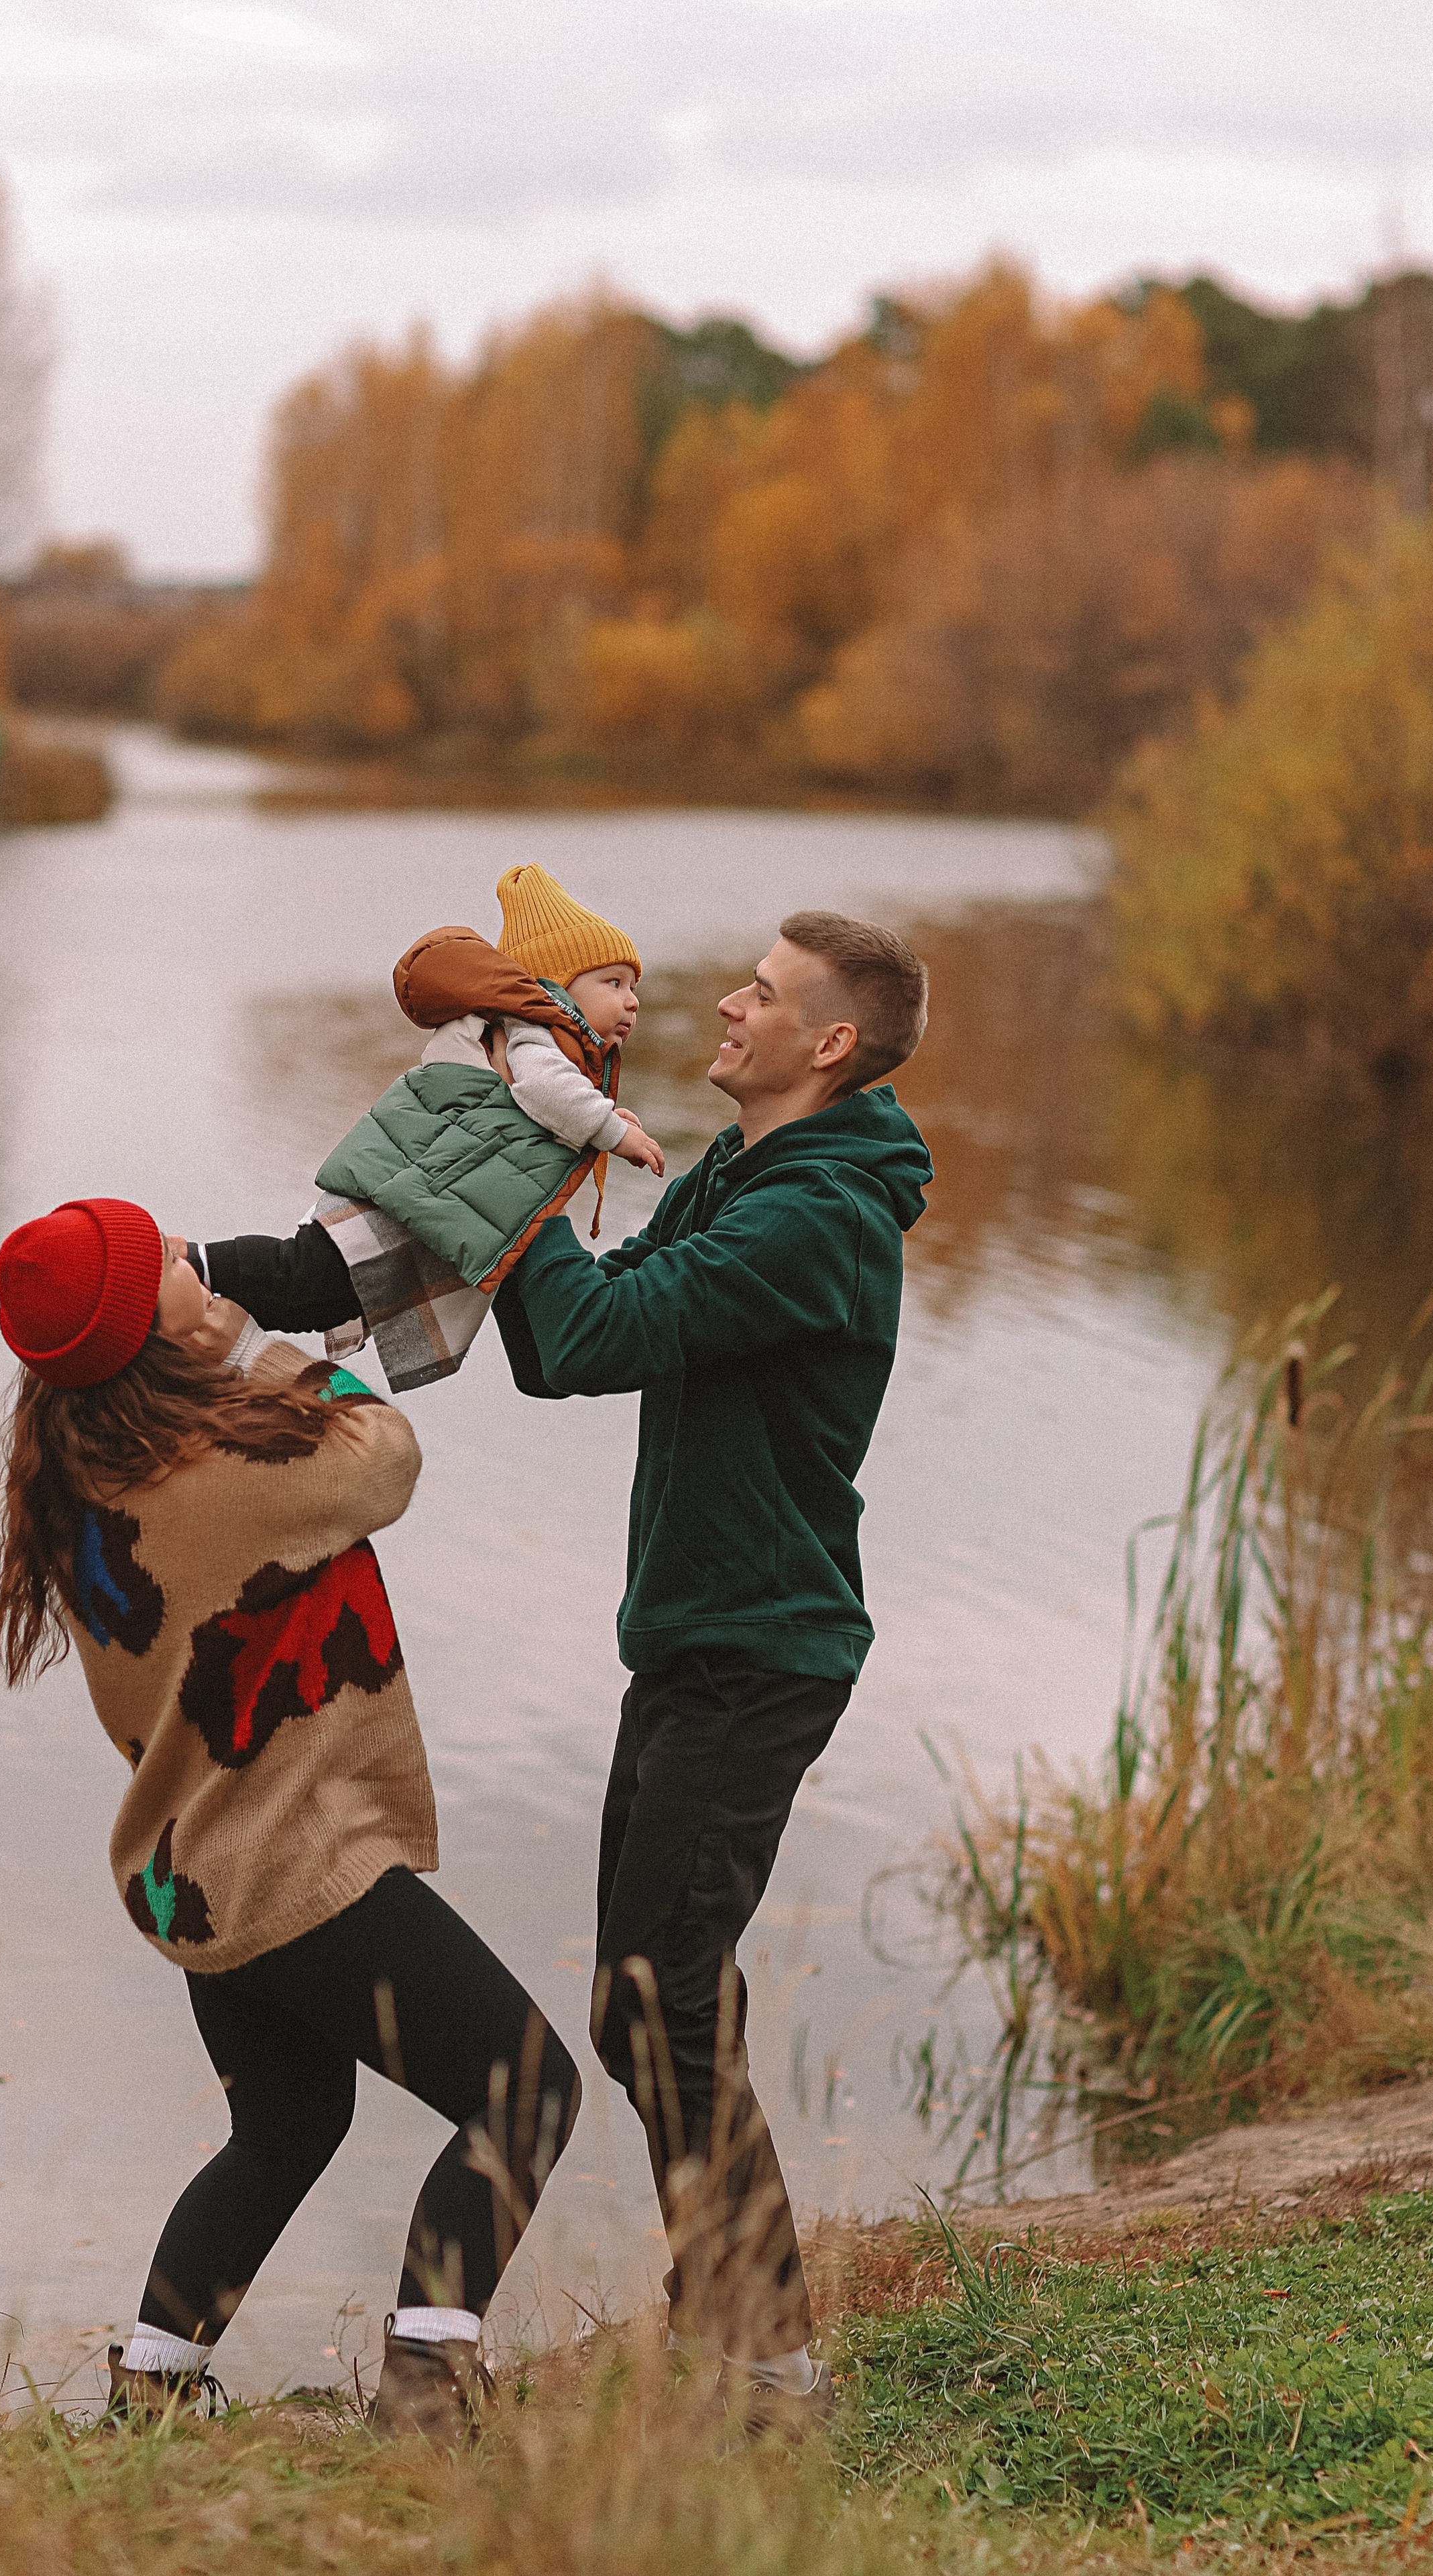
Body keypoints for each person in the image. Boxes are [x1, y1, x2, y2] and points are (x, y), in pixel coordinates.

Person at [0, 1194, 579, 2439]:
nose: (197, 1268)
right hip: (300, 1870)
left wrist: (200, 1329)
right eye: (173, 1272)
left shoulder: (85, 1469)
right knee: (525, 2089)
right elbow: (383, 1452)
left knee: (286, 2127)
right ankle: (426, 2379)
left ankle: (149, 2386)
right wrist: (252, 1338)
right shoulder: (224, 1471)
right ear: (153, 1340)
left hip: (194, 1871)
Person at [490, 909, 933, 2430]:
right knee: (643, 1998)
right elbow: (557, 1350)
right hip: (692, 1634)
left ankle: (763, 2359)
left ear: (827, 1043)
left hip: (759, 1648)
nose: (726, 1002)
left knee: (662, 1993)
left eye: (761, 992)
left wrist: (509, 1176)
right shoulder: (747, 1175)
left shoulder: (817, 1218)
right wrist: (520, 1156)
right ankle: (732, 2315)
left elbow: (596, 1322)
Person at [184, 864, 666, 1392]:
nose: (632, 1000)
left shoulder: (546, 1037)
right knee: (305, 1277)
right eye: (613, 983)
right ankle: (187, 1263)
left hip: (423, 1201)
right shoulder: (539, 1025)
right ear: (560, 984)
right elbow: (542, 1090)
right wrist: (616, 1136)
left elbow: (541, 1107)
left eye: (633, 986)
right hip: (411, 1196)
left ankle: (193, 1295)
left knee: (317, 1291)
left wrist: (601, 1118)